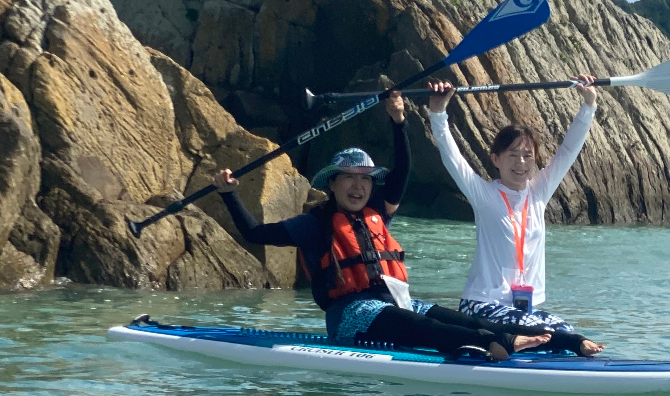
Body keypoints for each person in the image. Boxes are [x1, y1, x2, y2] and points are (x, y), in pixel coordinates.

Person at [212, 90, 553, 361]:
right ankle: (500, 343)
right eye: (348, 179)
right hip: (351, 316)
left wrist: (399, 121)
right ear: (332, 184)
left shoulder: (379, 213)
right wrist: (229, 195)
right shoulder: (314, 224)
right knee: (420, 325)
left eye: (364, 180)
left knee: (456, 317)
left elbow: (401, 172)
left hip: (393, 302)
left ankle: (551, 340)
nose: (357, 186)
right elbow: (255, 234)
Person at [425, 76, 605, 356]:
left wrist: (588, 105)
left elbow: (569, 151)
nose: (521, 163)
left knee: (563, 329)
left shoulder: (539, 193)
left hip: (522, 309)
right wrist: (438, 114)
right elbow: (452, 158)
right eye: (512, 155)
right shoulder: (483, 195)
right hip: (481, 305)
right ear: (495, 158)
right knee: (549, 334)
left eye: (527, 156)